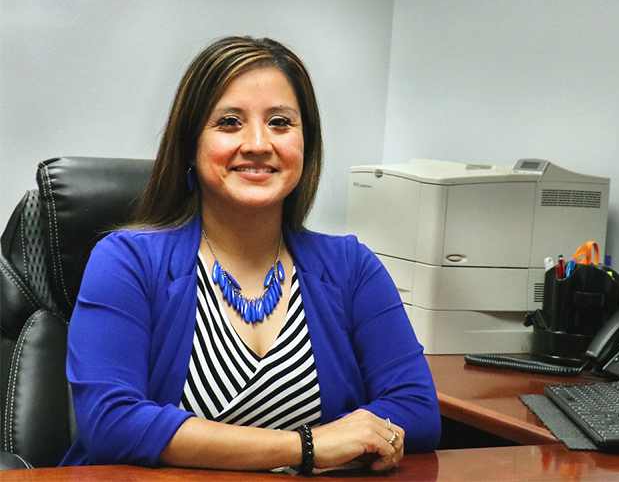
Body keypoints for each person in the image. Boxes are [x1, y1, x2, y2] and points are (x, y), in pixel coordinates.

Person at [61, 36, 441, 473]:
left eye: (280, 122)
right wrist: (309, 447)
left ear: (306, 145)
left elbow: (418, 411)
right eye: (229, 122)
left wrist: (366, 437)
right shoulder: (126, 261)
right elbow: (112, 423)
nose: (259, 142)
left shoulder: (351, 268)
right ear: (190, 144)